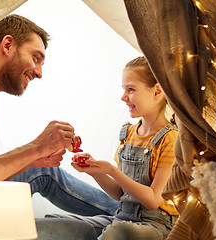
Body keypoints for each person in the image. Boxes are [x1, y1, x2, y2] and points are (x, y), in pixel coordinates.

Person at [0, 14, 118, 237]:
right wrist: (37, 147)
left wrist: (33, 159)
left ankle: (127, 214)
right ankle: (124, 220)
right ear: (7, 45)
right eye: (35, 58)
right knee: (81, 232)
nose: (39, 73)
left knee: (42, 169)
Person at [44, 56, 179, 240]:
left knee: (118, 232)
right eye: (123, 89)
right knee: (56, 223)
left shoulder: (170, 138)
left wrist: (111, 170)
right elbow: (119, 194)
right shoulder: (128, 133)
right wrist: (95, 171)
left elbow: (154, 199)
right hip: (121, 217)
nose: (123, 97)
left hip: (155, 225)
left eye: (130, 89)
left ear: (157, 91)